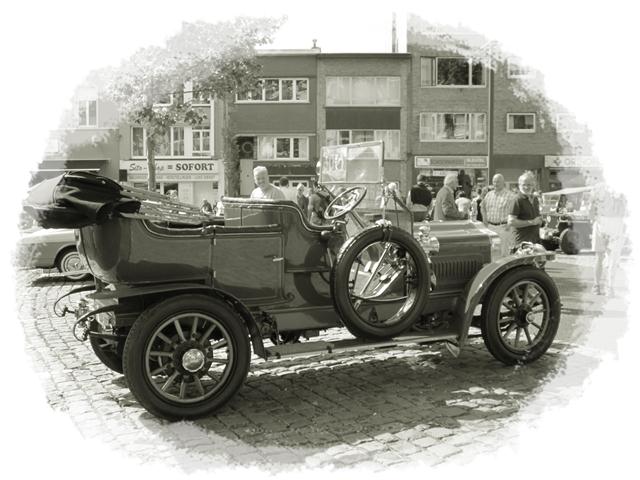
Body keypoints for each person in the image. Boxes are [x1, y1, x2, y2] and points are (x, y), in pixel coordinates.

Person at [589, 181, 627, 296]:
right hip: (611, 225)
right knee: (609, 258)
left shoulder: (601, 189)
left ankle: (600, 286)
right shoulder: (617, 190)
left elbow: (590, 214)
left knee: (603, 258)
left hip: (607, 225)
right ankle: (607, 287)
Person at [481, 174, 516, 256]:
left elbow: (515, 212)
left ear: (503, 182)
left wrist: (509, 224)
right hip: (490, 227)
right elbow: (482, 207)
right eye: (494, 182)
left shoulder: (510, 195)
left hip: (503, 228)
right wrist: (484, 219)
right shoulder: (489, 195)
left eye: (498, 182)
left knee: (504, 254)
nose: (496, 184)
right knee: (492, 253)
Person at [508, 171, 543, 245]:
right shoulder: (517, 199)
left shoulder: (535, 199)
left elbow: (536, 218)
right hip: (521, 243)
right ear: (519, 185)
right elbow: (511, 221)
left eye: (529, 185)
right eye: (524, 185)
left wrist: (540, 221)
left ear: (533, 185)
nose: (526, 187)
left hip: (534, 241)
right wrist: (532, 222)